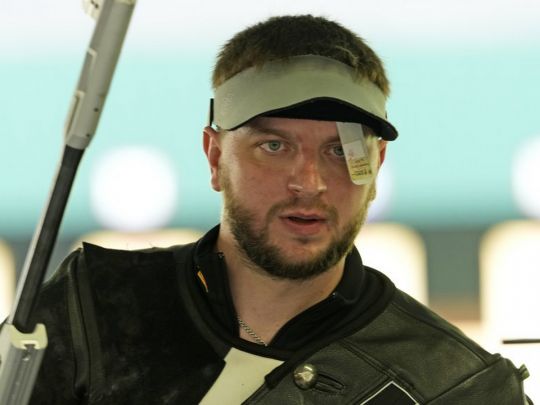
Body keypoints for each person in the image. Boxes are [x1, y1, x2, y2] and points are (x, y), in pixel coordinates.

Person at [28, 15, 531, 404]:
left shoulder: (456, 385)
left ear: (375, 167)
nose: (309, 183)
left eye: (340, 151)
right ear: (215, 157)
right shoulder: (97, 302)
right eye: (274, 146)